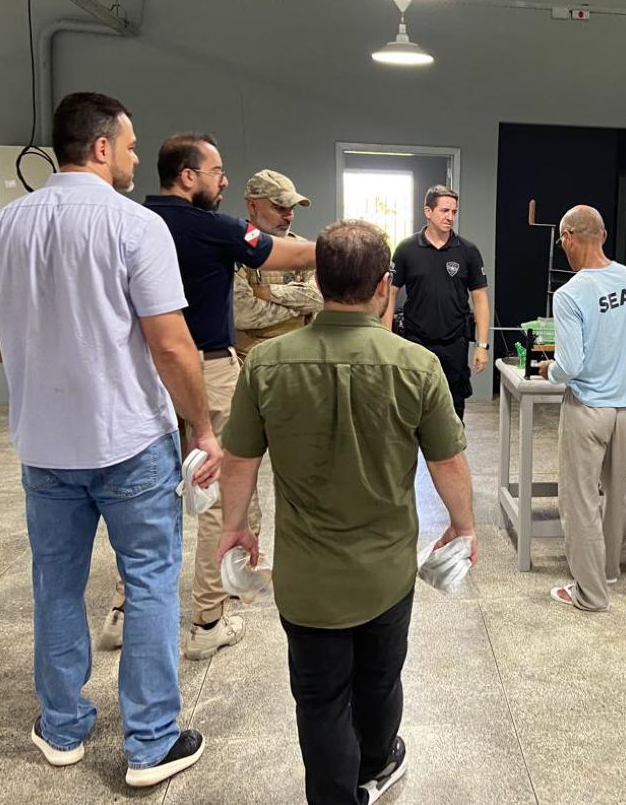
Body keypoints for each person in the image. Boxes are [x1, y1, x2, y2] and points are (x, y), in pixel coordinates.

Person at [0, 92, 213, 786]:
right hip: (129, 441)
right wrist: (202, 426)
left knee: (56, 584)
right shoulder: (135, 226)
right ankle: (151, 743)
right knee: (150, 582)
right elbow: (171, 345)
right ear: (102, 147)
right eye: (130, 147)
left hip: (44, 448)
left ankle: (62, 726)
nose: (135, 158)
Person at [216, 218, 479, 805]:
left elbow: (239, 460)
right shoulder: (417, 365)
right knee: (379, 682)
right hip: (385, 576)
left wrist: (234, 529)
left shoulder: (265, 364)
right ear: (384, 286)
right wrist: (463, 527)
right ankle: (376, 762)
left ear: (318, 281)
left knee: (320, 699)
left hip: (306, 581)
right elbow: (448, 463)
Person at [98, 133, 316, 661]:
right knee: (217, 494)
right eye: (217, 172)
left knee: (145, 496)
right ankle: (207, 620)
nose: (224, 180)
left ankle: (124, 613)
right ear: (188, 176)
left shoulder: (128, 223)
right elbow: (286, 261)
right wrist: (346, 247)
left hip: (141, 372)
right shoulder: (215, 228)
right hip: (208, 368)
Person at [537, 205, 626, 612]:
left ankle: (589, 593)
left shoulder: (570, 294)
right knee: (617, 493)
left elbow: (570, 365)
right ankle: (607, 570)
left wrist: (549, 370)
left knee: (580, 500)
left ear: (568, 238)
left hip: (589, 408)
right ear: (603, 236)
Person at [382, 185, 490, 422]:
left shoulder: (468, 251)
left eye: (454, 212)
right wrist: (386, 339)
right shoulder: (406, 249)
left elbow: (480, 298)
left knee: (453, 412)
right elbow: (389, 295)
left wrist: (482, 345)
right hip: (416, 343)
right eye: (444, 211)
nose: (450, 217)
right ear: (428, 211)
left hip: (455, 344)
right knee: (414, 409)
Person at [232, 169, 323, 358]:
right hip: (253, 360)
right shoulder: (235, 248)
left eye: (292, 208)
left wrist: (266, 292)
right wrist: (300, 307)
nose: (289, 216)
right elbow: (242, 313)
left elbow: (320, 297)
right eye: (280, 208)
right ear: (252, 206)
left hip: (300, 357)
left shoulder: (303, 249)